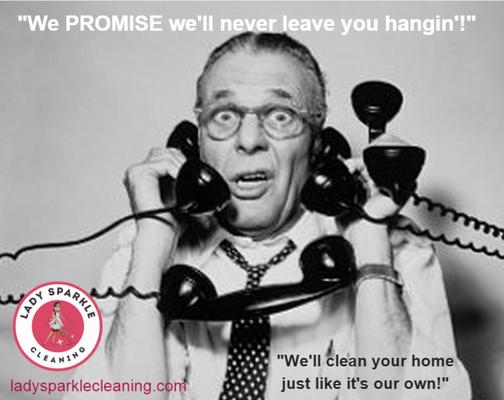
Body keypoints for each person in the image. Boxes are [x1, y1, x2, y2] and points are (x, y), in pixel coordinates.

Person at [67, 32, 471, 400]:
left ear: (318, 145)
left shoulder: (395, 247)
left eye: (280, 115)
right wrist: (152, 245)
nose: (249, 141)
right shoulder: (144, 247)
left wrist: (370, 245)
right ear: (196, 141)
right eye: (224, 115)